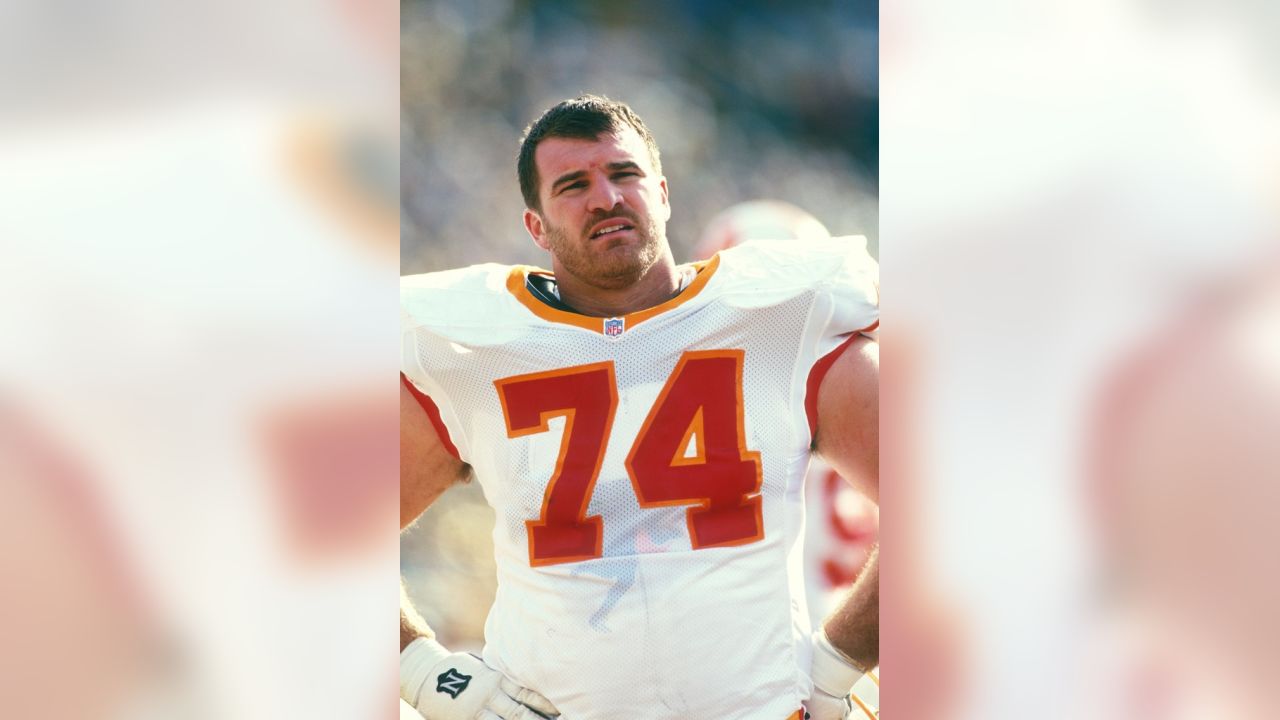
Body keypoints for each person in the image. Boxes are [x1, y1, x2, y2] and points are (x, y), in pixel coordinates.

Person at [400, 94, 879, 720]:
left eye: (623, 174)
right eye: (573, 184)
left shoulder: (781, 318)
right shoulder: (475, 347)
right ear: (536, 227)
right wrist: (431, 676)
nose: (606, 198)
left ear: (662, 191)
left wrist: (840, 660)